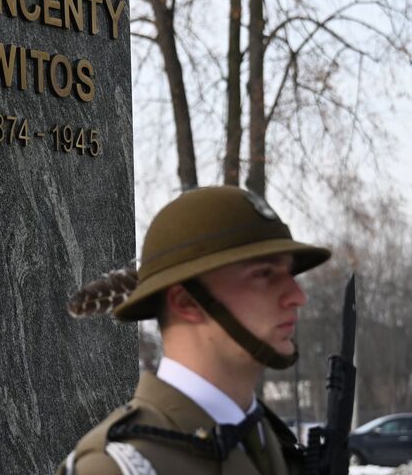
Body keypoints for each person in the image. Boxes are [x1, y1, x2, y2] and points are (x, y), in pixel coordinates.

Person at [58, 185, 331, 475]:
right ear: (187, 301)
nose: (297, 296)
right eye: (264, 274)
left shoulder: (270, 441)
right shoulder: (118, 466)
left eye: (289, 273)